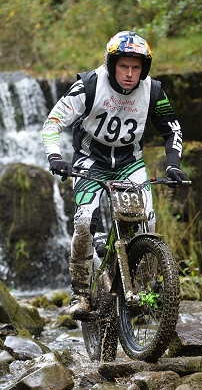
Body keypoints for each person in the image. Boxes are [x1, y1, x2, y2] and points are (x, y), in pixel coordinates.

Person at [42, 30, 185, 319]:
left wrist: (173, 163)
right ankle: (81, 294)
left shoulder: (153, 91)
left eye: (136, 67)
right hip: (89, 159)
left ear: (144, 69)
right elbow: (53, 122)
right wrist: (55, 157)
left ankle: (142, 289)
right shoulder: (90, 85)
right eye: (123, 66)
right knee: (84, 222)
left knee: (148, 220)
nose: (130, 74)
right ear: (112, 64)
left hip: (129, 162)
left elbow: (173, 129)